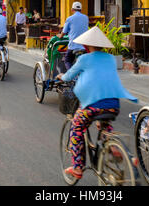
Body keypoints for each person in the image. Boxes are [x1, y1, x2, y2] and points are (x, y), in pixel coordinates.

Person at [57, 26, 138, 180]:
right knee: (104, 124)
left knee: (76, 127)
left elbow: (69, 76)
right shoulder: (109, 59)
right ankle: (114, 146)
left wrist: (61, 76)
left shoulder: (84, 59)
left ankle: (77, 167)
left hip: (92, 105)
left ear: (87, 46)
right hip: (113, 105)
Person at [58, 2, 88, 70]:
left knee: (67, 60)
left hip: (73, 46)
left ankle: (71, 76)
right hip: (84, 46)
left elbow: (64, 32)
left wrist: (60, 36)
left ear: (72, 10)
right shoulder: (86, 18)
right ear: (81, 10)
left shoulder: (69, 18)